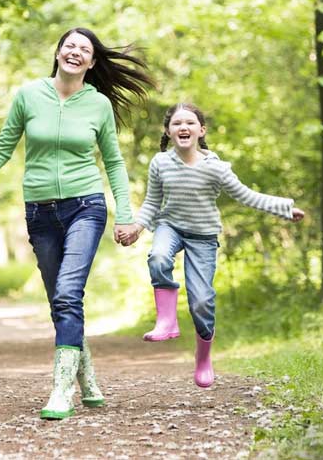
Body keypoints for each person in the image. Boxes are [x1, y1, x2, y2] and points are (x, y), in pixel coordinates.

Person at [0, 27, 153, 420]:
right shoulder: (29, 95)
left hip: (86, 206)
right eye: (69, 46)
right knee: (60, 301)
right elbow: (2, 147)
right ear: (58, 53)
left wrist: (126, 215)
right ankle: (88, 377)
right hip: (39, 212)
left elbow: (112, 161)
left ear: (92, 62)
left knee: (66, 293)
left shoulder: (98, 105)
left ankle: (61, 392)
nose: (75, 52)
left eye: (84, 49)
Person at [120, 103, 304, 388]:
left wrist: (284, 208)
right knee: (157, 256)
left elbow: (247, 196)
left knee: (202, 302)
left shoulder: (215, 168)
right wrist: (137, 227)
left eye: (190, 123)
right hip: (170, 227)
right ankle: (166, 321)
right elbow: (152, 203)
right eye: (177, 123)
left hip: (203, 236)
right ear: (168, 131)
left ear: (201, 130)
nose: (184, 127)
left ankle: (203, 357)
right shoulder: (160, 163)